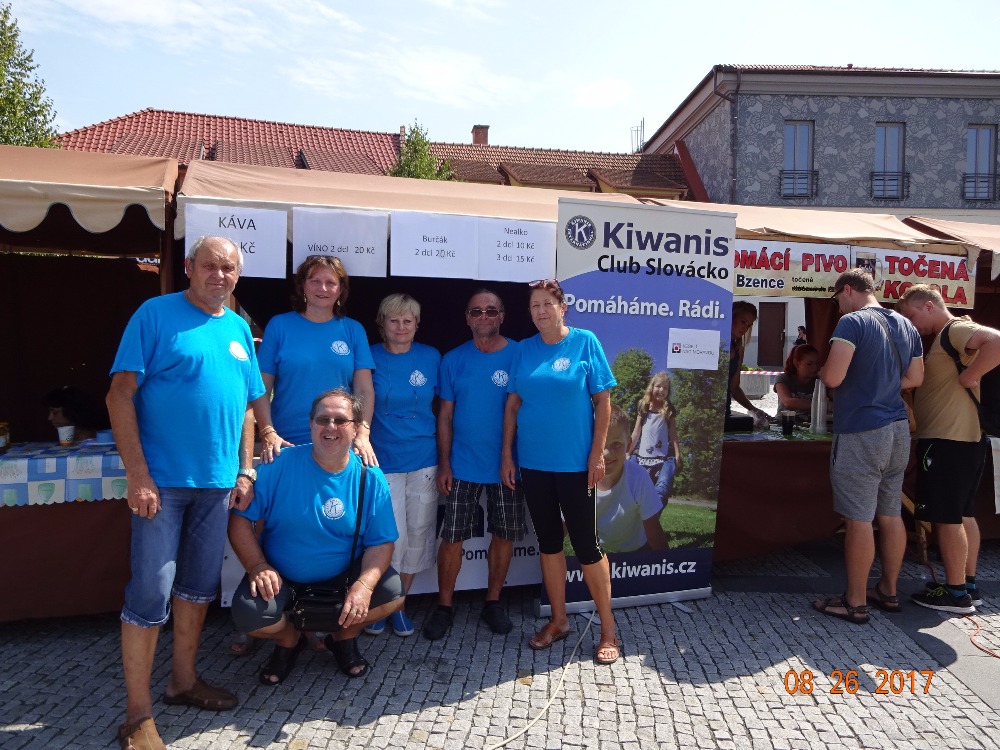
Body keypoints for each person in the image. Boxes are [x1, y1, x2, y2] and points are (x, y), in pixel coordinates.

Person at [106, 236, 269, 750]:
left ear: (237, 275)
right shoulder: (154, 315)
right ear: (189, 268)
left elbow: (246, 406)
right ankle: (137, 715)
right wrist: (138, 475)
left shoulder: (238, 327)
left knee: (198, 587)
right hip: (162, 485)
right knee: (150, 593)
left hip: (217, 485)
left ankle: (183, 681)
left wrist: (245, 470)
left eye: (229, 268)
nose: (219, 275)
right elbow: (119, 395)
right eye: (210, 266)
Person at [228, 389, 403, 682]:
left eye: (340, 420)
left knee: (392, 593)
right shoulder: (279, 464)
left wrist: (363, 586)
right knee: (249, 616)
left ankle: (342, 638)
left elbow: (382, 543)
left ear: (356, 429)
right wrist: (257, 566)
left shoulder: (370, 477)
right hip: (282, 576)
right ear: (311, 424)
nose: (330, 427)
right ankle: (290, 640)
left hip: (342, 576)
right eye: (322, 419)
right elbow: (240, 521)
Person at [501, 279, 620, 665]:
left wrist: (596, 455)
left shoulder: (585, 342)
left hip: (575, 466)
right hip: (534, 464)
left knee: (586, 547)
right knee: (549, 544)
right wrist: (507, 455)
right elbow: (513, 406)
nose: (540, 311)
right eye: (534, 305)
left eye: (547, 304)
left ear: (562, 307)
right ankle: (559, 620)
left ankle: (608, 629)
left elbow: (603, 402)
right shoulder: (524, 349)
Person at [812, 269, 922, 625]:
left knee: (858, 518)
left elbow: (833, 377)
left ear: (847, 290)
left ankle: (855, 602)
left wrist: (825, 373)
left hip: (862, 428)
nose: (837, 307)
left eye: (837, 300)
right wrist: (883, 385)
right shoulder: (906, 324)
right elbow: (916, 378)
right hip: (898, 429)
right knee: (890, 513)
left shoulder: (852, 322)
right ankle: (888, 590)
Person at [423, 290, 526, 641]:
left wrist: (509, 458)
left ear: (502, 316)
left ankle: (493, 602)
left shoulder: (519, 354)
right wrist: (444, 463)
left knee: (504, 534)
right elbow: (444, 417)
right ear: (467, 318)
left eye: (491, 311)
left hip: (507, 465)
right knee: (452, 537)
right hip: (462, 464)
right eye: (477, 311)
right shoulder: (453, 359)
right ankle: (444, 606)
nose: (484, 317)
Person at [898, 284, 1000, 613]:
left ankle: (956, 594)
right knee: (963, 513)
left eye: (912, 315)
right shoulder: (950, 334)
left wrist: (971, 376)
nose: (912, 324)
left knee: (947, 518)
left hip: (948, 441)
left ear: (928, 306)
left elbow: (997, 341)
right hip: (963, 440)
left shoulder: (954, 329)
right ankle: (967, 585)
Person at [367, 293, 441, 637]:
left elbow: (444, 407)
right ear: (382, 323)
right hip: (384, 460)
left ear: (417, 324)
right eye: (394, 320)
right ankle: (382, 602)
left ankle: (398, 605)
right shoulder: (368, 356)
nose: (401, 327)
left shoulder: (431, 357)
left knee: (420, 533)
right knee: (391, 536)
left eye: (407, 321)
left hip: (424, 460)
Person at [255, 255, 376, 464]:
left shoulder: (353, 330)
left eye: (331, 283)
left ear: (341, 289)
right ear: (303, 285)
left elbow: (364, 390)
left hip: (338, 442)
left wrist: (363, 434)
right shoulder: (279, 326)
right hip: (286, 444)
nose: (323, 288)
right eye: (315, 281)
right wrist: (267, 432)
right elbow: (261, 389)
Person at [599, 404, 669, 552]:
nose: (606, 454)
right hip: (604, 550)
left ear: (628, 445)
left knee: (660, 492)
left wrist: (666, 563)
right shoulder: (579, 479)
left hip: (639, 547)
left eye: (616, 444)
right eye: (598, 443)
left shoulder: (638, 477)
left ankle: (667, 468)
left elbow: (654, 533)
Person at [627, 372, 681, 507]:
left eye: (665, 388)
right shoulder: (644, 407)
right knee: (634, 488)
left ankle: (653, 517)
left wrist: (677, 454)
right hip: (642, 456)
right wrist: (628, 452)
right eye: (658, 386)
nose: (661, 390)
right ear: (652, 387)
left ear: (668, 391)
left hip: (661, 458)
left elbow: (673, 434)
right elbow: (636, 432)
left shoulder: (669, 410)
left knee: (661, 490)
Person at [726, 301, 769, 427]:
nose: (745, 328)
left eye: (749, 325)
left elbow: (735, 387)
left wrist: (754, 409)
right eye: (743, 322)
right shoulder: (714, 344)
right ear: (731, 317)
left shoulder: (739, 349)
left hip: (724, 411)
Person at [774, 344, 823, 422]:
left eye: (817, 363)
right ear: (797, 364)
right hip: (784, 423)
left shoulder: (821, 381)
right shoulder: (783, 378)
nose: (815, 367)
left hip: (809, 424)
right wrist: (823, 405)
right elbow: (788, 402)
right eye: (809, 364)